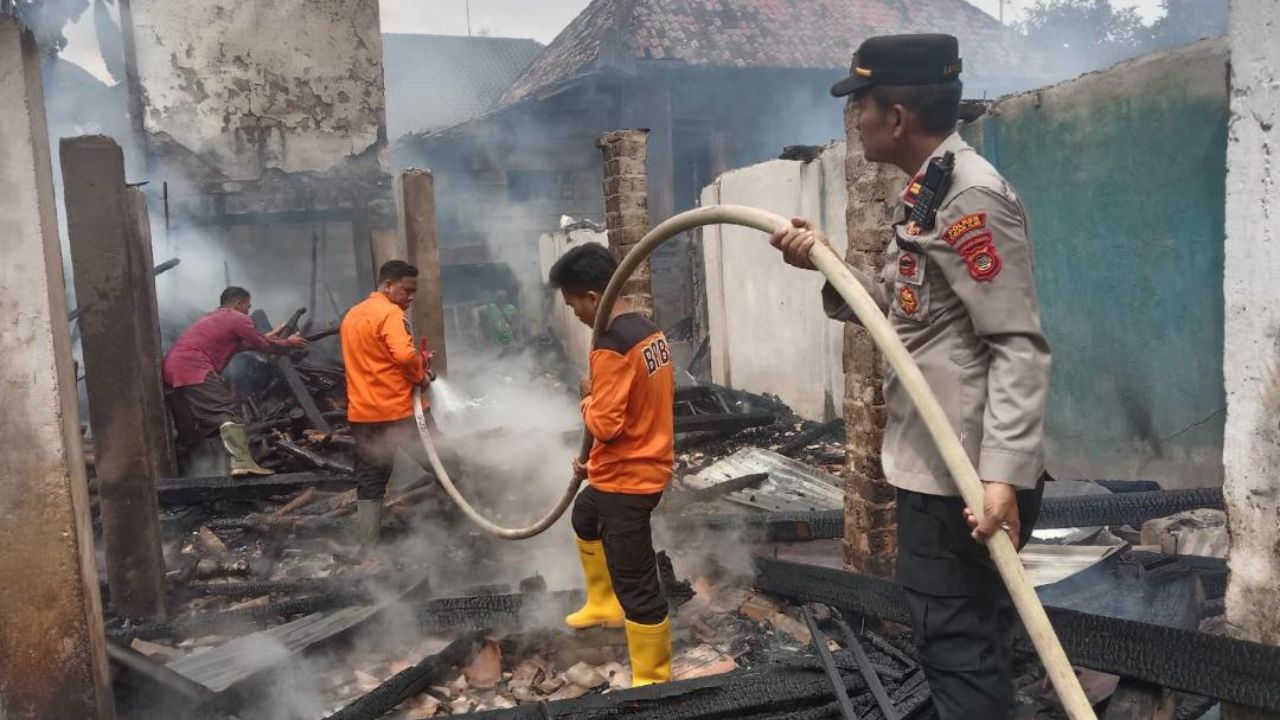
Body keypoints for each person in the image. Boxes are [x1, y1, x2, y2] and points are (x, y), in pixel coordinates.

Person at [769, 34, 1051, 720]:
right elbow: (912, 316)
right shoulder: (931, 189)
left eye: (860, 104)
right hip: (941, 467)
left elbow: (1018, 346)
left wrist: (1000, 478)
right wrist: (828, 264)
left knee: (955, 646)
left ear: (895, 116)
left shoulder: (970, 198)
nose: (855, 119)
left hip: (963, 477)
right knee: (968, 643)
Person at [548, 243, 675, 687]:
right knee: (584, 515)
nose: (576, 314)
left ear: (594, 296)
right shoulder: (646, 329)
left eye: (574, 305)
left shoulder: (611, 344)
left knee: (637, 583)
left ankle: (654, 679)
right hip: (633, 465)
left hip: (630, 480)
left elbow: (605, 422)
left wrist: (586, 395)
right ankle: (602, 604)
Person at [340, 260, 439, 558]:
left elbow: (377, 358)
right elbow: (405, 356)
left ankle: (368, 548)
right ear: (387, 285)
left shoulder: (353, 316)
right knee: (446, 464)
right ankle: (463, 526)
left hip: (364, 416)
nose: (411, 297)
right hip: (401, 414)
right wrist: (421, 376)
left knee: (370, 481)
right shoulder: (390, 314)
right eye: (407, 290)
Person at [163, 286, 309, 476]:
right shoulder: (237, 318)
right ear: (238, 303)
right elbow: (264, 345)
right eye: (248, 306)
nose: (249, 310)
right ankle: (242, 462)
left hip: (171, 370)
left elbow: (244, 344)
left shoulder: (213, 318)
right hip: (193, 367)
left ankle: (199, 471)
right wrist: (289, 343)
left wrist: (269, 338)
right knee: (226, 412)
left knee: (193, 429)